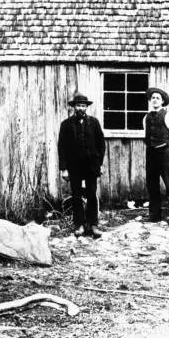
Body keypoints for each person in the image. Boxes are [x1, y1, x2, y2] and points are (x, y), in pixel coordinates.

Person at [58, 91, 106, 238]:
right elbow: (62, 147)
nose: (81, 108)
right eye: (78, 105)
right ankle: (79, 225)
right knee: (76, 196)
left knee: (92, 194)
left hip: (91, 165)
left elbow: (101, 144)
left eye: (83, 106)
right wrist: (64, 168)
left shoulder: (94, 122)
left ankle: (93, 225)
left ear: (86, 107)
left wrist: (100, 164)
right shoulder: (66, 124)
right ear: (74, 107)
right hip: (74, 166)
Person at [143, 87, 169, 225]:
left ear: (162, 101)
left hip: (164, 153)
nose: (155, 100)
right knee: (152, 183)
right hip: (151, 153)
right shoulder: (146, 117)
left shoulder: (168, 116)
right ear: (150, 100)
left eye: (157, 98)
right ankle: (155, 214)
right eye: (152, 98)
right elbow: (146, 134)